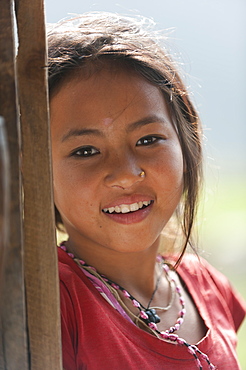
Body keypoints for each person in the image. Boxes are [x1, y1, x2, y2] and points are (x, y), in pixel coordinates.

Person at [47, 12, 246, 370]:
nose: (125, 174)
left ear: (187, 146)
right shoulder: (51, 302)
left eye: (148, 139)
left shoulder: (208, 287)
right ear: (38, 172)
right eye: (86, 151)